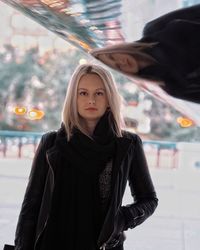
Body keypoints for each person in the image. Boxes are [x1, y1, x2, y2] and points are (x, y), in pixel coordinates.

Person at [11, 64, 158, 250]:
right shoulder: (51, 143)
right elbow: (30, 208)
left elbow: (149, 199)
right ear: (73, 97)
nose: (91, 100)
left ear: (109, 98)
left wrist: (121, 219)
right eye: (83, 93)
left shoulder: (128, 144)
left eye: (99, 93)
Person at [90, 4, 200, 104]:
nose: (121, 62)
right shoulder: (173, 87)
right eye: (118, 67)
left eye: (112, 56)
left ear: (115, 49)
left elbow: (195, 11)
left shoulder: (153, 29)